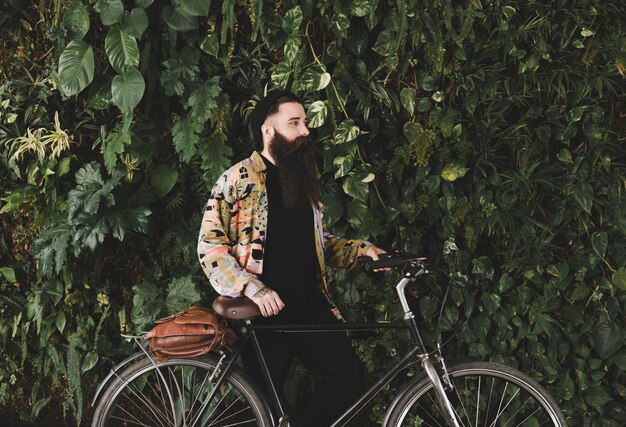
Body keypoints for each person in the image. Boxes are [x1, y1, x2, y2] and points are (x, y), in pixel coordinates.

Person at [197, 90, 386, 426]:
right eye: (295, 123)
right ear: (268, 130)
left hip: (309, 305)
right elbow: (209, 245)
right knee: (263, 407)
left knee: (348, 376)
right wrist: (252, 288)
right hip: (264, 312)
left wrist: (361, 250)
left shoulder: (301, 180)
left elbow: (320, 244)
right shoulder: (238, 179)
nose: (305, 131)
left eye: (305, 123)